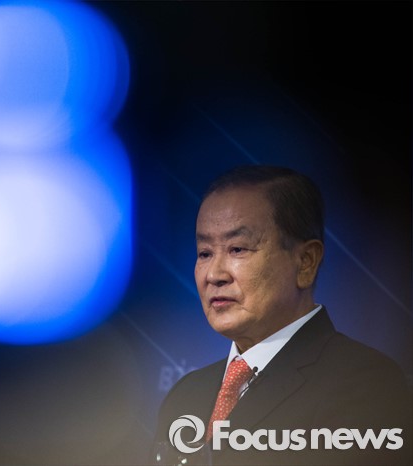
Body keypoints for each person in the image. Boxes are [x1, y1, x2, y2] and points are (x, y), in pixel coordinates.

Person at [151, 165, 411, 465]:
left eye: (238, 249)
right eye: (205, 253)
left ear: (306, 262)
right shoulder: (184, 396)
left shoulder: (364, 384)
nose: (214, 275)